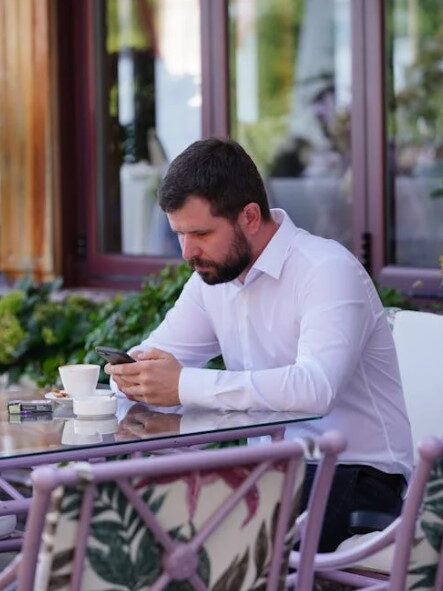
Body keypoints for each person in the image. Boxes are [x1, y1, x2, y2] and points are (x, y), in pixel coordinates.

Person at [107, 137, 413, 551]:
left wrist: (183, 386)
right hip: (270, 477)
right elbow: (155, 357)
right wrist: (133, 376)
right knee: (141, 521)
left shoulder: (326, 269)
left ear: (249, 216)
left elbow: (315, 388)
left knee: (194, 540)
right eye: (179, 234)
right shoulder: (212, 280)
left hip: (358, 480)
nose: (187, 252)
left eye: (200, 233)